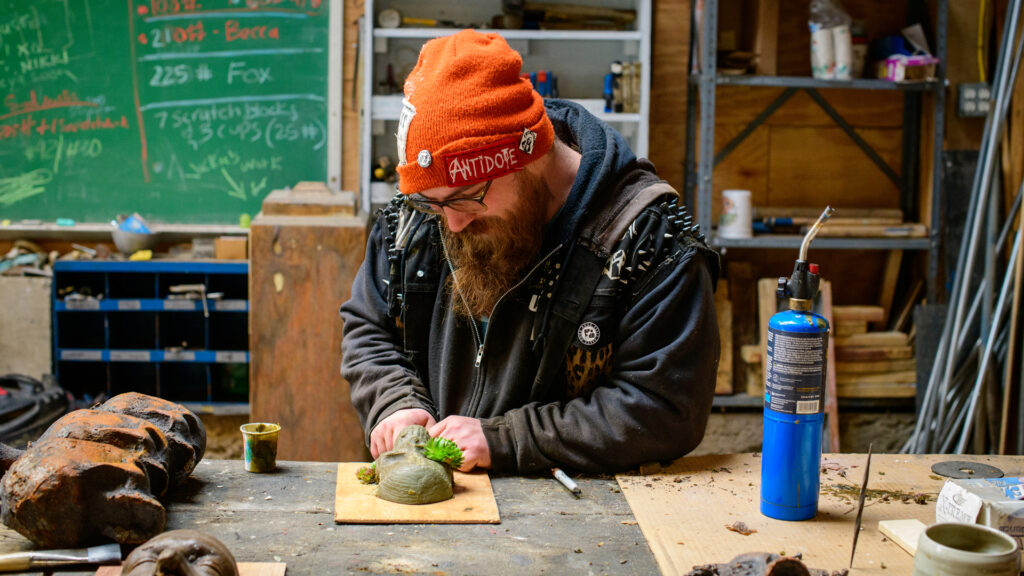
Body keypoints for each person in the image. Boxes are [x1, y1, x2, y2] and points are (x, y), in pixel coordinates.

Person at [340, 29, 720, 474]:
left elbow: (665, 408)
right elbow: (370, 325)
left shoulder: (650, 244)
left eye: (466, 197)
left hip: (582, 516)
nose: (452, 222)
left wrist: (507, 439)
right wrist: (394, 402)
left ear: (528, 159)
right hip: (444, 504)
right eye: (431, 201)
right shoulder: (422, 214)